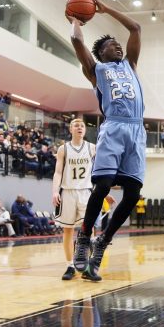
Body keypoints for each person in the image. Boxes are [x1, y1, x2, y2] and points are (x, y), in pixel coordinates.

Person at [67, 0, 145, 282]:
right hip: (113, 127)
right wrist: (76, 19)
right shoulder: (96, 70)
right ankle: (85, 236)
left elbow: (135, 28)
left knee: (134, 193)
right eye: (113, 46)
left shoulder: (131, 66)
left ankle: (103, 242)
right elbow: (77, 41)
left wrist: (105, 9)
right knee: (101, 187)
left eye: (118, 45)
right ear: (102, 53)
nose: (119, 48)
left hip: (136, 130)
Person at [51, 118, 96, 280]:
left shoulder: (92, 148)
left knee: (88, 230)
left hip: (86, 192)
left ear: (85, 130)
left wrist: (103, 191)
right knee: (68, 230)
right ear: (70, 130)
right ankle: (70, 265)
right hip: (68, 191)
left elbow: (100, 171)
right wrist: (55, 191)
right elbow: (57, 172)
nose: (80, 127)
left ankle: (87, 266)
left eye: (82, 126)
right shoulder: (63, 149)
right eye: (76, 125)